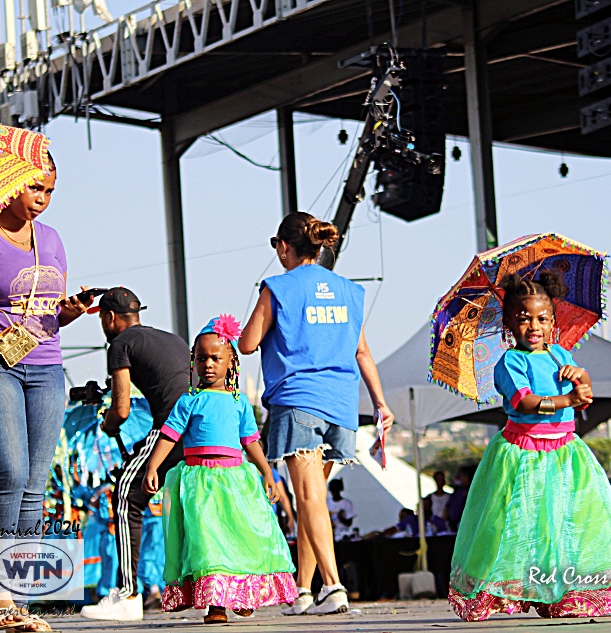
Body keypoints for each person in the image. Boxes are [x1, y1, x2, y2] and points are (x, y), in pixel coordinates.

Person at [0, 155, 92, 632]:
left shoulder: (51, 239)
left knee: (35, 481)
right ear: (8, 185)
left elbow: (45, 313)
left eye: (50, 191)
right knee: (10, 469)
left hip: (45, 367)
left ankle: (20, 599)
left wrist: (68, 313)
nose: (42, 201)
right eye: (35, 190)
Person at [447, 272, 611, 621]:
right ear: (508, 323)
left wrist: (580, 379)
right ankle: (504, 592)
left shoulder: (559, 353)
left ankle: (560, 594)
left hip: (564, 453)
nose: (533, 326)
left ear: (553, 321)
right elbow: (524, 402)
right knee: (519, 527)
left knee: (564, 525)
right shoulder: (511, 362)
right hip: (522, 456)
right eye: (523, 319)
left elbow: (585, 384)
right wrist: (568, 398)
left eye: (542, 319)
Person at [239, 211, 395, 616]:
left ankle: (333, 585)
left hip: (299, 400)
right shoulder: (348, 290)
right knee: (314, 500)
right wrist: (380, 404)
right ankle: (303, 591)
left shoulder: (277, 287)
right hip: (343, 405)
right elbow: (362, 351)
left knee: (306, 497)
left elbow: (248, 343)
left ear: (284, 247)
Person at [141, 316, 298, 624]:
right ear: (193, 362)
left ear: (231, 362)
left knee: (242, 537)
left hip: (236, 480)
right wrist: (153, 466)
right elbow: (169, 434)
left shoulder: (240, 404)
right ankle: (216, 606)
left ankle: (241, 593)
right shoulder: (189, 401)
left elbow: (251, 441)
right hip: (199, 483)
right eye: (201, 358)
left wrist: (267, 472)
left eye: (215, 358)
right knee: (207, 541)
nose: (208, 364)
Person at [79, 287, 190, 621]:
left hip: (170, 429)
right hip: (198, 430)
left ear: (110, 317)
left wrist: (107, 424)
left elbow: (122, 408)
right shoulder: (172, 338)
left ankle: (128, 595)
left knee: (127, 494)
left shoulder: (120, 345)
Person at [446, 466, 473, 533]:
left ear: (466, 477)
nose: (458, 478)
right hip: (453, 525)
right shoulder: (456, 491)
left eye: (460, 476)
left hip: (465, 525)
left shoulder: (471, 492)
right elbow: (447, 507)